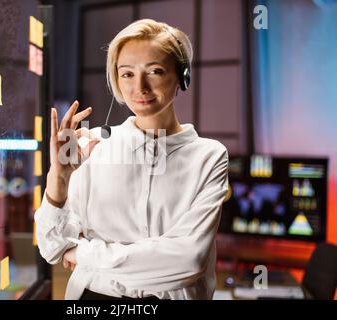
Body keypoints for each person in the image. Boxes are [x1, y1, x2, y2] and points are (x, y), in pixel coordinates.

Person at [35, 19, 229, 300]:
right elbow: (52, 247)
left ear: (182, 77)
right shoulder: (93, 146)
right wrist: (59, 178)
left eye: (155, 71)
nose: (140, 87)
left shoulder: (208, 156)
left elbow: (189, 260)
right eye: (127, 74)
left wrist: (83, 252)